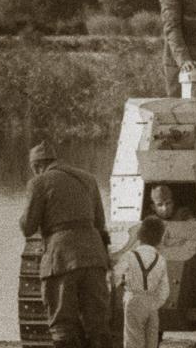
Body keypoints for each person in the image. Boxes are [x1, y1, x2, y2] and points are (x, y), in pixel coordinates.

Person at [19, 141, 111, 348]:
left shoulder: (39, 182)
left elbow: (28, 227)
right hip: (95, 257)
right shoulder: (88, 178)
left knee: (62, 323)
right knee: (97, 323)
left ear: (36, 166)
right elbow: (100, 223)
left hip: (61, 259)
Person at [114, 216, 169, 348]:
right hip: (152, 302)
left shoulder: (129, 256)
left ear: (139, 235)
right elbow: (164, 290)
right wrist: (155, 303)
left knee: (133, 339)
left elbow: (116, 276)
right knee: (151, 341)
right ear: (159, 238)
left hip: (133, 300)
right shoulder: (160, 259)